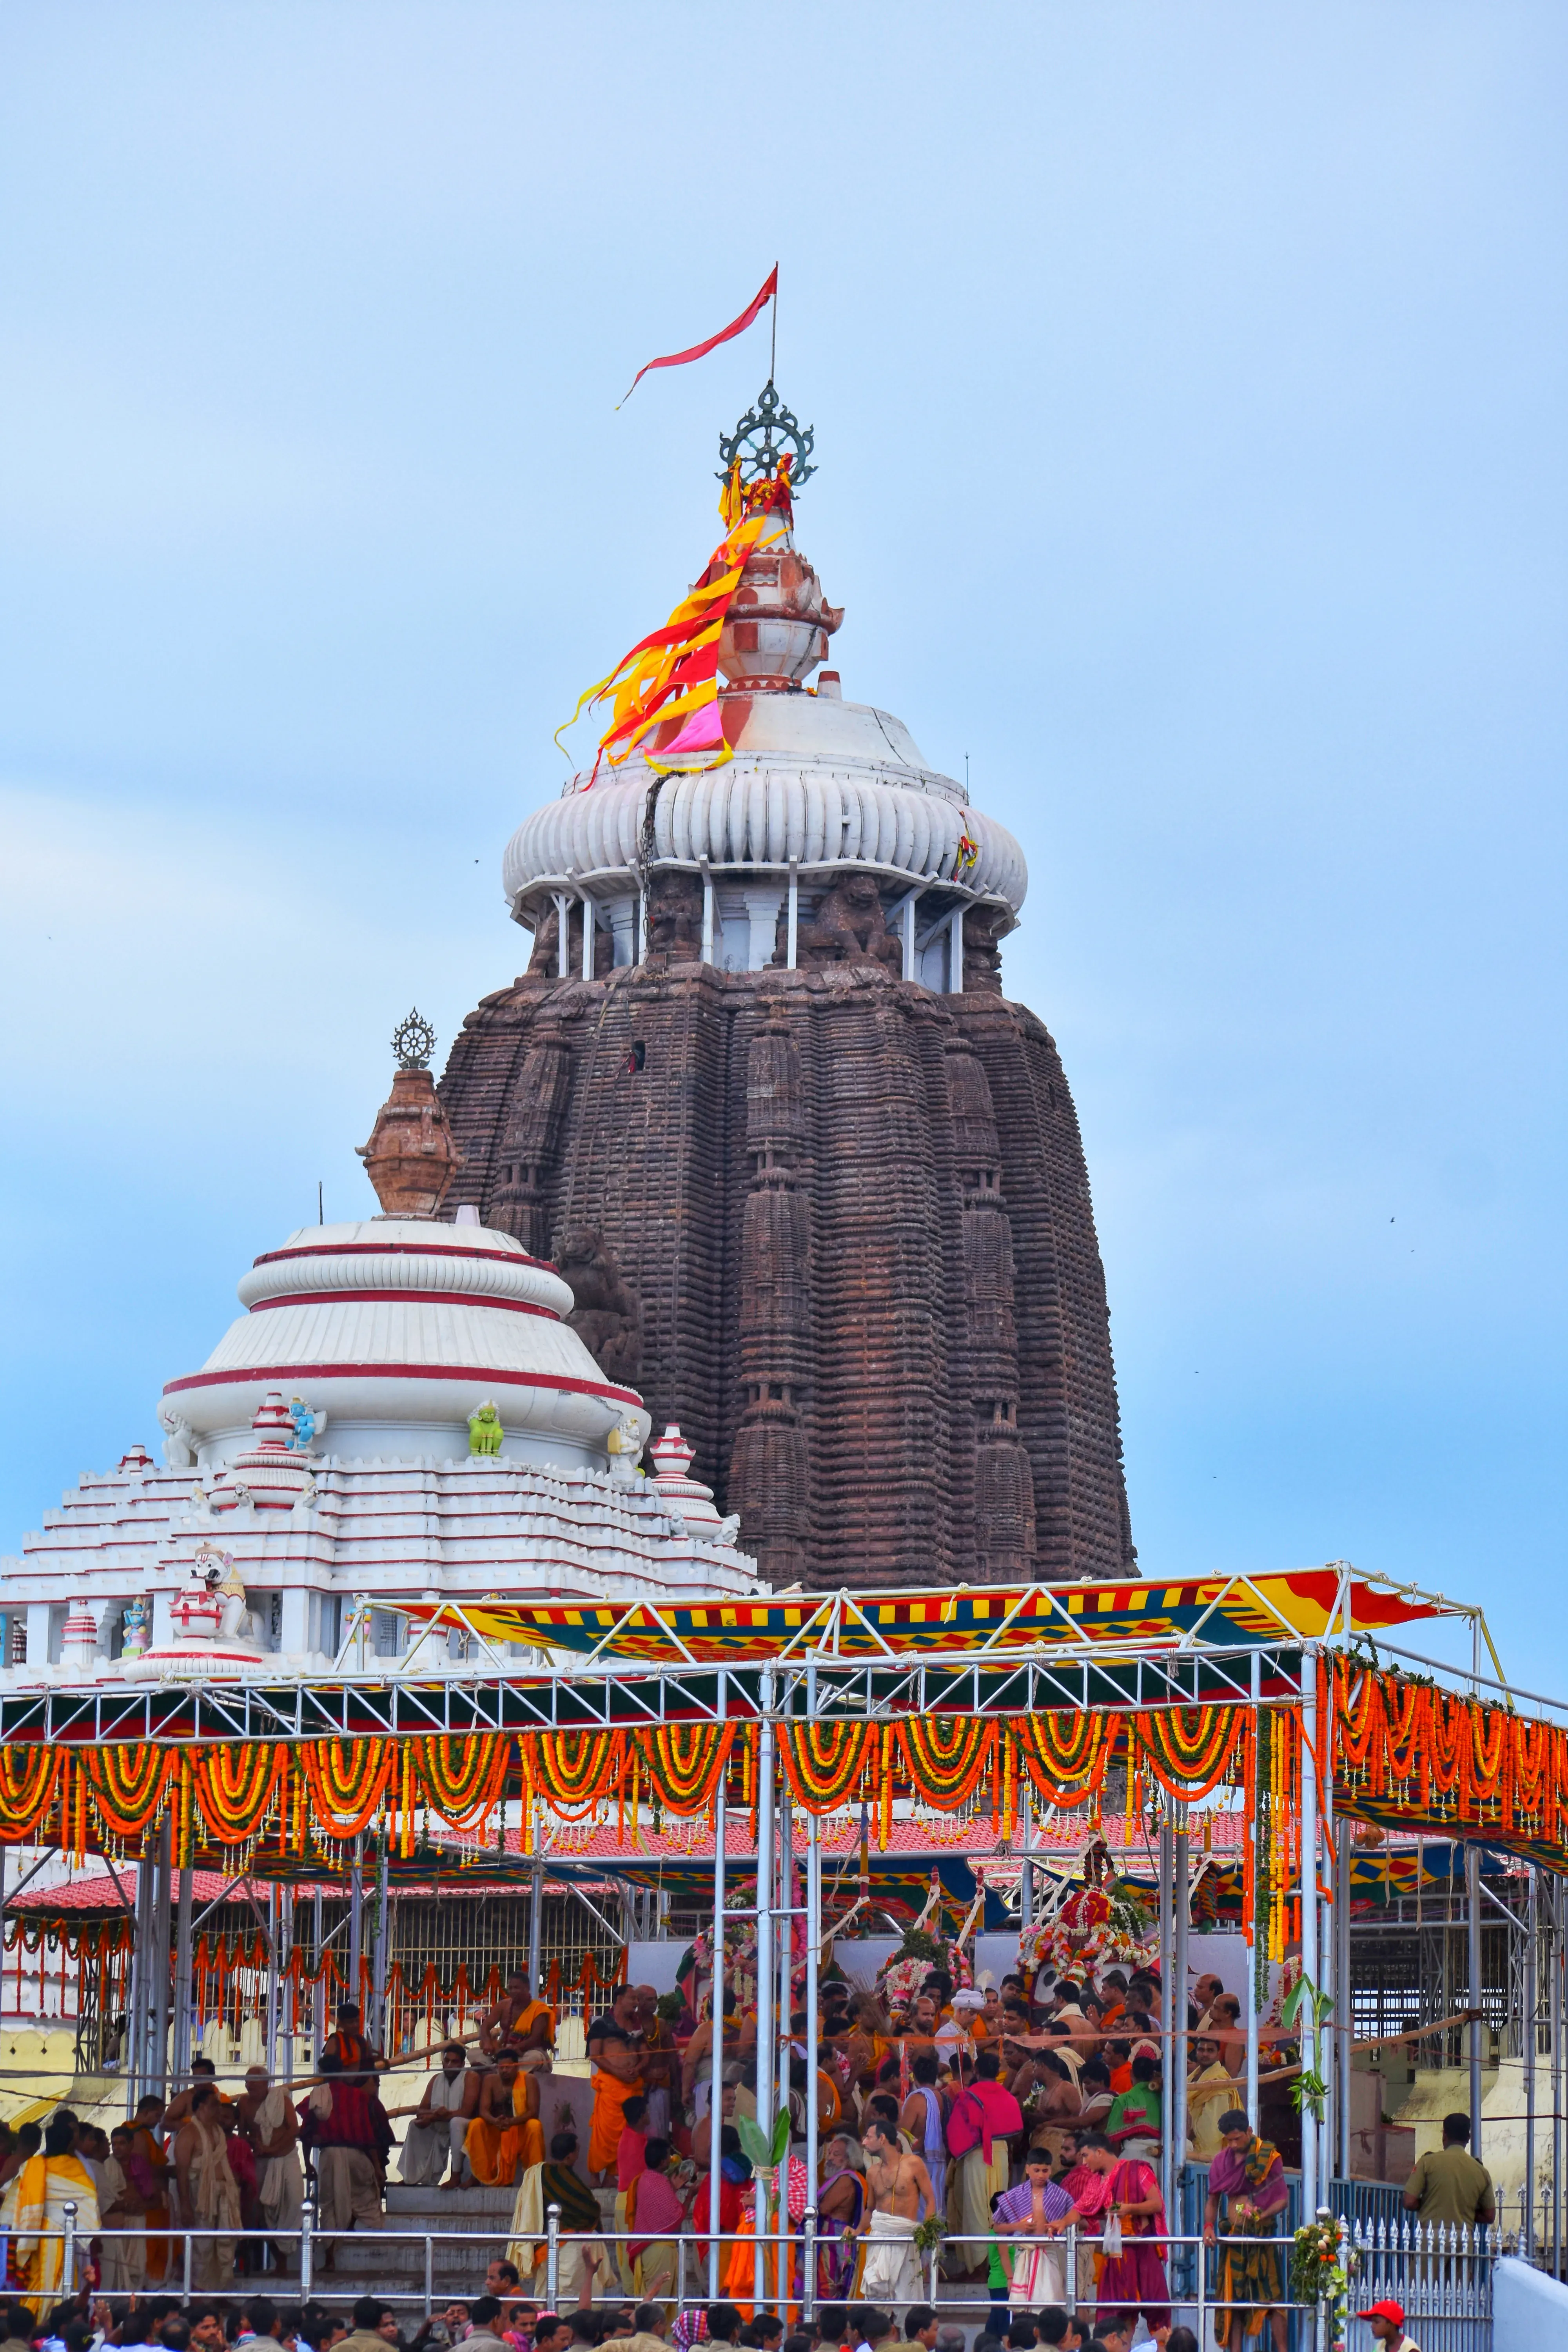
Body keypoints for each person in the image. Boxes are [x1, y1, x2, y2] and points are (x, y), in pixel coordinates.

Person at [1049, 2130, 1169, 2333]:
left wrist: (1129, 2209)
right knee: (1116, 2316)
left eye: (1086, 2156)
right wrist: (1062, 2223)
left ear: (1100, 2152)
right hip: (1114, 2253)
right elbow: (1080, 2209)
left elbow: (1157, 2204)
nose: (1084, 2162)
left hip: (1142, 2250)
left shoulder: (1137, 2170)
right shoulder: (1096, 2181)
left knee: (1157, 2312)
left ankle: (1164, 2346)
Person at [1202, 2112, 1288, 2352]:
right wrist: (1208, 2227)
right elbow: (1213, 2201)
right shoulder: (1221, 2162)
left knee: (1272, 2299)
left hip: (1261, 2237)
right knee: (1234, 2302)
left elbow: (1282, 2199)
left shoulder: (1268, 2157)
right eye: (1229, 2140)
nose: (1233, 2144)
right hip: (1233, 2239)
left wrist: (1262, 2214)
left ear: (1249, 2131)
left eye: (1237, 2139)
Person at [299, 2052, 392, 2260]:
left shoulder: (317, 2095)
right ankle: (349, 2233)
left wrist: (307, 2163)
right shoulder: (360, 2097)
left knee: (330, 2206)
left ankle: (330, 2257)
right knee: (361, 2196)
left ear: (322, 2072)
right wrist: (377, 2167)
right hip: (356, 2156)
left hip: (329, 2156)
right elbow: (369, 2136)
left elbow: (306, 2132)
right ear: (342, 2071)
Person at [0, 2117, 99, 2295]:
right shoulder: (78, 2171)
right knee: (62, 2287)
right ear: (70, 2144)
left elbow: (11, 2200)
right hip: (64, 2240)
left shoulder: (31, 2166)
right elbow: (90, 2208)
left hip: (31, 2238)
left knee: (34, 2289)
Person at [947, 2053, 1024, 2279]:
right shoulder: (1009, 2098)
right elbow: (1017, 2134)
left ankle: (980, 2268)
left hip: (976, 2157)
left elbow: (956, 2133)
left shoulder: (967, 2097)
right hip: (1001, 2156)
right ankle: (994, 2265)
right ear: (997, 2072)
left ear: (977, 2071)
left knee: (976, 2212)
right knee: (996, 2210)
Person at [858, 2116, 934, 2311]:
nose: (864, 2142)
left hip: (906, 2237)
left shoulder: (913, 2164)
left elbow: (931, 2200)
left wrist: (927, 2229)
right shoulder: (872, 2172)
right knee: (876, 2295)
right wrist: (857, 2232)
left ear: (882, 2138)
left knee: (906, 2299)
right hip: (880, 2237)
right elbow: (870, 2210)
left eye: (869, 2137)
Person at [171, 2085, 241, 2292]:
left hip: (224, 2196)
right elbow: (182, 2173)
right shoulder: (188, 2134)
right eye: (214, 2105)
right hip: (199, 2198)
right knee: (202, 2246)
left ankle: (220, 2292)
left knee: (226, 2244)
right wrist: (185, 2206)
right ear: (201, 2107)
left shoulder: (219, 2132)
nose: (219, 2109)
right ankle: (200, 2294)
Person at [236, 2066, 304, 2263]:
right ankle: (279, 2262)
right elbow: (242, 2134)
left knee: (295, 2203)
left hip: (287, 2158)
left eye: (253, 2082)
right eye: (247, 2082)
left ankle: (288, 2255)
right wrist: (254, 2145)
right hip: (261, 2163)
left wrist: (272, 2149)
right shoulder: (243, 2103)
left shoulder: (282, 2100)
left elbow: (293, 2129)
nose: (248, 2086)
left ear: (266, 2083)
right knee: (263, 2210)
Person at [993, 2148, 1073, 2310]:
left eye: (1045, 2171)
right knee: (1023, 2309)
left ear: (1051, 2170)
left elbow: (1079, 2221)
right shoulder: (1015, 2195)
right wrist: (1018, 2226)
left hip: (1050, 2253)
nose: (1041, 2175)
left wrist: (1060, 2225)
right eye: (1037, 2171)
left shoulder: (1060, 2196)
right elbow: (997, 2227)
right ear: (1027, 2169)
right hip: (1024, 2253)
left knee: (1050, 2305)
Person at [402, 2044, 481, 2189]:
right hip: (440, 2122)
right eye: (447, 2061)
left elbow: (466, 2112)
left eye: (454, 2062)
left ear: (462, 2064)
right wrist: (434, 2116)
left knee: (456, 2122)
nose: (449, 2065)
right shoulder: (436, 2079)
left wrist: (438, 2116)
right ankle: (409, 2178)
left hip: (466, 2124)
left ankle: (456, 2176)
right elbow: (422, 2111)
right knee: (415, 2125)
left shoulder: (471, 2077)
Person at [1401, 2114, 1494, 2229]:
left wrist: (1428, 2204)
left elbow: (1409, 2202)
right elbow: (1489, 2216)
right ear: (1469, 2138)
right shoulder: (1482, 2172)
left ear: (1444, 2135)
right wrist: (1467, 2212)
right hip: (1463, 2238)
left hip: (1431, 2236)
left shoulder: (1427, 2163)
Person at [467, 2050, 544, 2189]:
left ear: (517, 2067)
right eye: (501, 2068)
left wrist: (511, 2122)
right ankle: (477, 2176)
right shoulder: (490, 2081)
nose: (504, 2071)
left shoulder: (529, 2080)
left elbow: (533, 2112)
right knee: (476, 2124)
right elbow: (484, 2111)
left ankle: (534, 2179)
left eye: (508, 2067)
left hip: (520, 2131)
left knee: (535, 2125)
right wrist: (495, 2121)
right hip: (496, 2129)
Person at [623, 2140, 684, 2303]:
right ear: (663, 2162)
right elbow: (675, 2215)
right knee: (658, 2304)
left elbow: (660, 2210)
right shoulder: (660, 2182)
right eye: (669, 2156)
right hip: (659, 2251)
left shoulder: (645, 2178)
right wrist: (690, 2196)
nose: (670, 2159)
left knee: (649, 2302)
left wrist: (674, 2188)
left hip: (648, 2250)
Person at [588, 2030, 646, 2181]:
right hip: (611, 2087)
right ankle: (595, 2177)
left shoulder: (638, 2028)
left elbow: (646, 2055)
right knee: (603, 2135)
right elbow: (594, 2055)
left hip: (630, 2087)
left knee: (624, 2135)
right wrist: (618, 2073)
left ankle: (610, 2176)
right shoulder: (603, 2026)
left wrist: (638, 2069)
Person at [898, 2056, 948, 2218]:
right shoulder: (943, 2098)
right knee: (935, 2208)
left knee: (918, 2213)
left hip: (919, 2162)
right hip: (939, 2162)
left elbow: (903, 2135)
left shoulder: (916, 2100)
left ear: (916, 2077)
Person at [98, 2124, 146, 2291]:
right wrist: (125, 2204)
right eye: (114, 2144)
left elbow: (150, 2193)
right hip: (114, 2223)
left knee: (136, 2266)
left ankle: (134, 2299)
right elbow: (106, 2200)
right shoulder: (107, 2165)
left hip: (136, 2219)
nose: (117, 2148)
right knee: (115, 2269)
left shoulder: (139, 2163)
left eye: (122, 2143)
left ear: (131, 2144)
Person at [480, 1971, 556, 2067]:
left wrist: (514, 2048)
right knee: (473, 2054)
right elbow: (485, 2026)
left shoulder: (539, 2010)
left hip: (528, 2051)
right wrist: (488, 2042)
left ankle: (500, 2067)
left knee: (534, 2058)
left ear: (527, 1988)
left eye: (516, 1988)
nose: (513, 1991)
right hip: (504, 2049)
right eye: (511, 1988)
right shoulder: (503, 2006)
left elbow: (535, 2040)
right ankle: (502, 2067)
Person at [1185, 2040, 1236, 2160]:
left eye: (1210, 2051)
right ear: (1196, 2052)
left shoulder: (1220, 2080)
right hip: (1188, 2144)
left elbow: (1212, 2126)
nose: (1205, 2054)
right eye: (1201, 2050)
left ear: (1218, 2054)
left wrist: (1187, 2134)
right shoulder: (1193, 2076)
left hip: (1207, 2151)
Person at [1356, 2304, 1420, 2352]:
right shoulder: (1380, 2346)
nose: (1372, 2326)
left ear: (1392, 2324)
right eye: (1372, 2322)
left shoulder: (1410, 2349)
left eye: (1377, 2322)